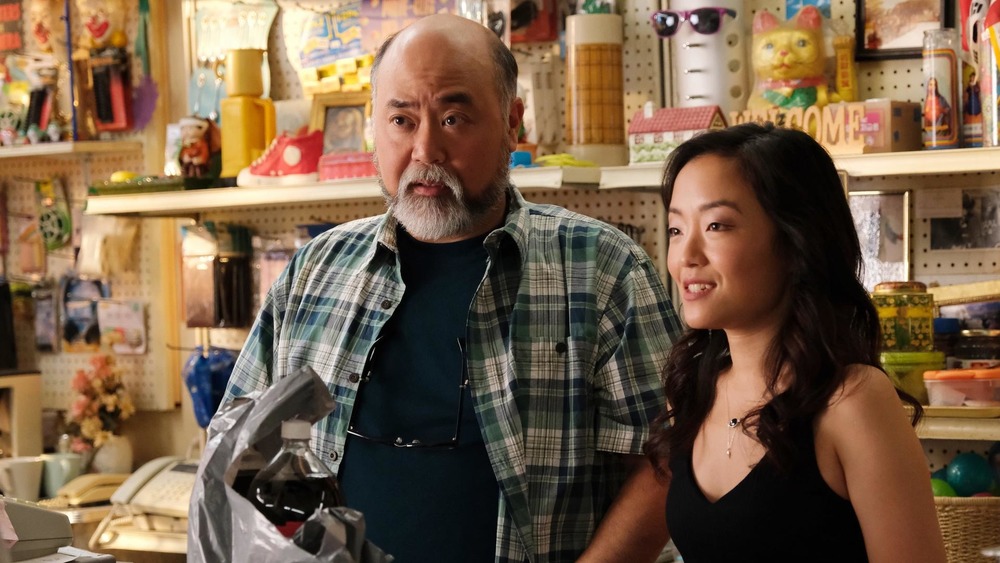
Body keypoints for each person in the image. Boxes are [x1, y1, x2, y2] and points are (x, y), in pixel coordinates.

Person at [222, 13, 682, 563]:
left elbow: (665, 462)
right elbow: (239, 445)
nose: (425, 150)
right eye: (401, 120)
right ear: (374, 124)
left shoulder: (603, 269)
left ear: (513, 123)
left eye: (453, 117)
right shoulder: (314, 271)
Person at [644, 123, 947, 562]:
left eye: (716, 225)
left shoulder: (852, 401)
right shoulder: (692, 392)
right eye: (675, 229)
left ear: (795, 241)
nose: (686, 255)